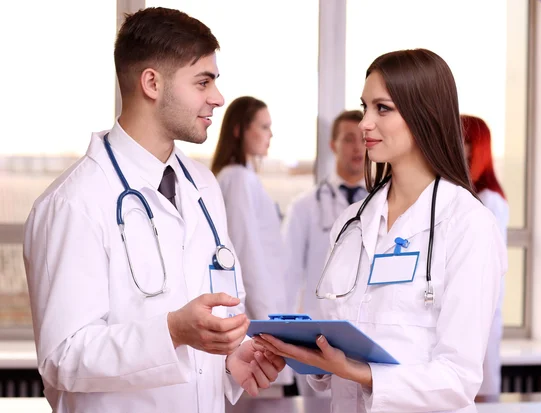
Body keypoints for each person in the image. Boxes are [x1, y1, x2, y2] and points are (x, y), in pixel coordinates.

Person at [22, 8, 284, 413]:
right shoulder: (74, 203)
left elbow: (206, 332)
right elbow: (63, 357)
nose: (218, 98)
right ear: (151, 83)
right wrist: (172, 331)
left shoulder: (204, 187)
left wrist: (230, 363)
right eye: (203, 81)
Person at [253, 49, 507, 413]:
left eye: (382, 109)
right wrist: (306, 353)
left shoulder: (468, 224)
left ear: (425, 115)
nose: (364, 124)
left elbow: (459, 379)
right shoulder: (352, 222)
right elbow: (339, 334)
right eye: (364, 108)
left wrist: (361, 372)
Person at [211, 96, 294, 391]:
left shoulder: (244, 178)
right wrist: (271, 327)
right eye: (263, 126)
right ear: (238, 130)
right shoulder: (236, 179)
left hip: (264, 318)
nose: (270, 134)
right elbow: (246, 257)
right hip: (259, 326)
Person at [282, 110, 366, 397]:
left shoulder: (385, 206)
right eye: (349, 139)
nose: (358, 148)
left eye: (363, 140)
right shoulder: (304, 207)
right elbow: (288, 277)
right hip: (316, 342)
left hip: (366, 342)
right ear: (333, 145)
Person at [462, 114, 509, 401]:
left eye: (464, 140)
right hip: (455, 317)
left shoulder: (490, 200)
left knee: (478, 397)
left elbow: (487, 269)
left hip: (478, 315)